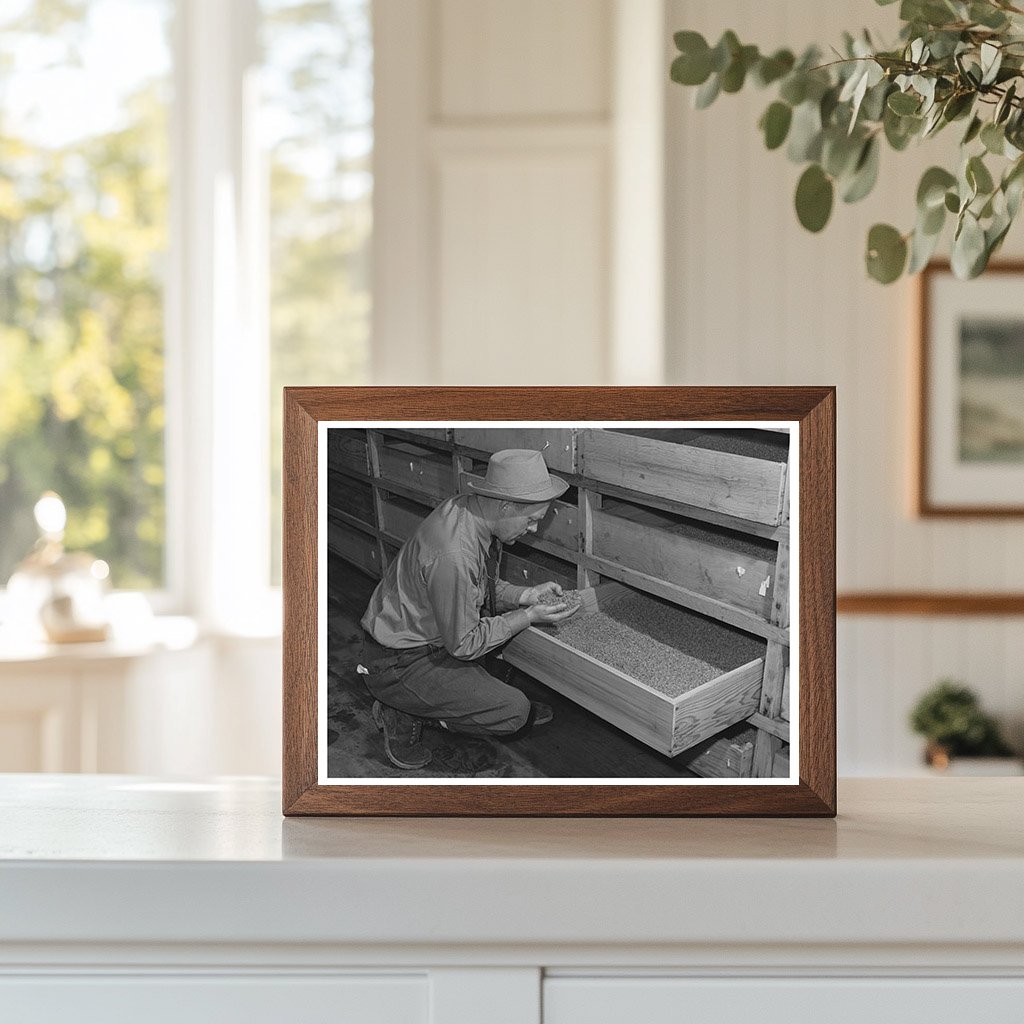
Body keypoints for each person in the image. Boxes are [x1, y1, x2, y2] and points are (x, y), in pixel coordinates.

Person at [357, 448, 579, 769]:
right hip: (398, 662)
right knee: (514, 713)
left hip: (431, 639)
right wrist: (527, 616)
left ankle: (446, 697)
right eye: (531, 520)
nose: (533, 529)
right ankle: (402, 707)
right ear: (504, 505)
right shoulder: (455, 554)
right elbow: (465, 644)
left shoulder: (469, 512)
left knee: (501, 667)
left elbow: (479, 589)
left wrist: (525, 595)